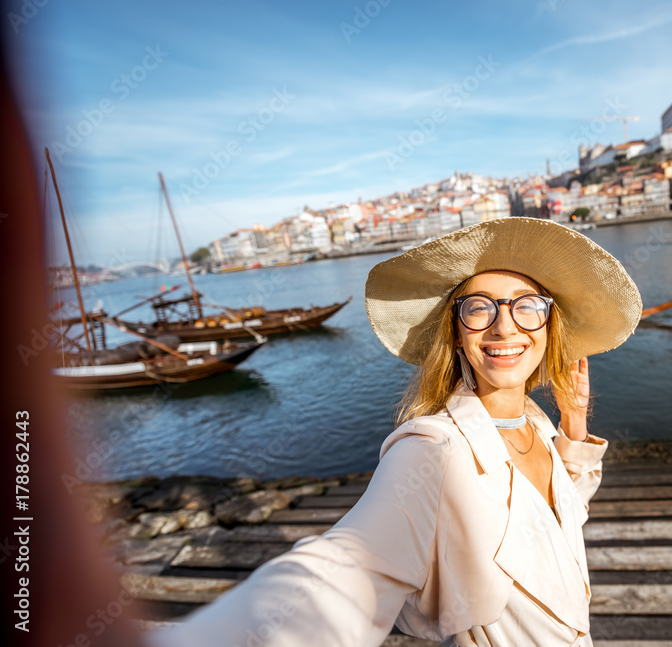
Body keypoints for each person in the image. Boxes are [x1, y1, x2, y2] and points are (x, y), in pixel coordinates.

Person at [150, 216, 641, 646]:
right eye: (478, 309)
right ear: (456, 332)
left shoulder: (535, 422)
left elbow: (557, 520)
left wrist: (573, 432)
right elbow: (353, 566)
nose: (504, 327)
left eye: (526, 305)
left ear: (548, 325)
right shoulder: (435, 449)